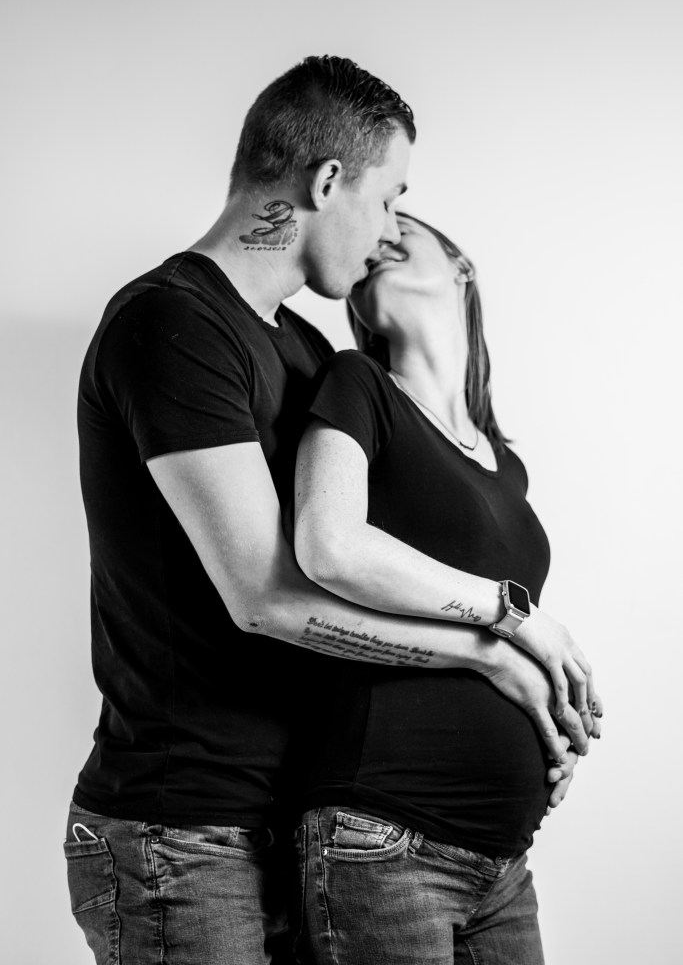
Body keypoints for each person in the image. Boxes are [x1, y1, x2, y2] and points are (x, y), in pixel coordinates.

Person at [64, 56, 595, 965]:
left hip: (291, 819)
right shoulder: (173, 323)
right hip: (182, 831)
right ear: (326, 181)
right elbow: (266, 596)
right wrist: (495, 645)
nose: (389, 229)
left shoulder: (305, 352)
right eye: (388, 199)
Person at [292, 212, 602, 965]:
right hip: (385, 839)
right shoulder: (359, 385)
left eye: (402, 224)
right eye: (371, 240)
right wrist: (516, 616)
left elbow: (483, 629)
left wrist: (548, 720)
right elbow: (330, 546)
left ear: (461, 266)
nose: (381, 237)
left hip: (502, 862)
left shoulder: (504, 464)